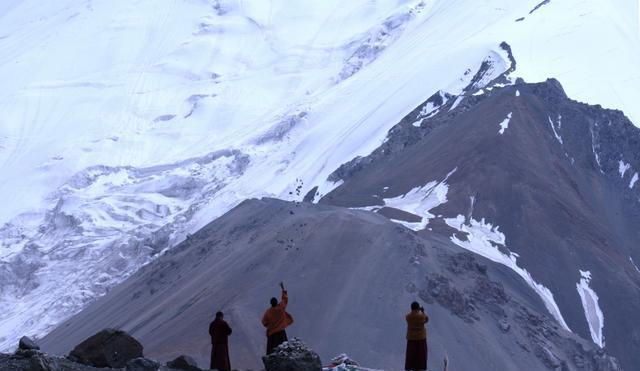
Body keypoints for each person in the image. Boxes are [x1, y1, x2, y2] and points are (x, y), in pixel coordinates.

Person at [262, 282, 294, 355]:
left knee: (271, 352)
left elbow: (264, 322)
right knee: (284, 351)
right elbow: (285, 299)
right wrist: (283, 289)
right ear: (276, 302)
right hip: (281, 333)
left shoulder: (268, 312)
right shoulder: (280, 307)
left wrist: (270, 326)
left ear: (271, 303)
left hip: (272, 335)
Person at [405, 301, 429, 371]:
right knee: (421, 354)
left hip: (411, 338)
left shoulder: (408, 317)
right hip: (421, 338)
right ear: (418, 308)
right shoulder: (421, 316)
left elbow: (411, 316)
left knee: (411, 354)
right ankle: (420, 368)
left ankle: (410, 367)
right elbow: (427, 319)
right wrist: (422, 312)